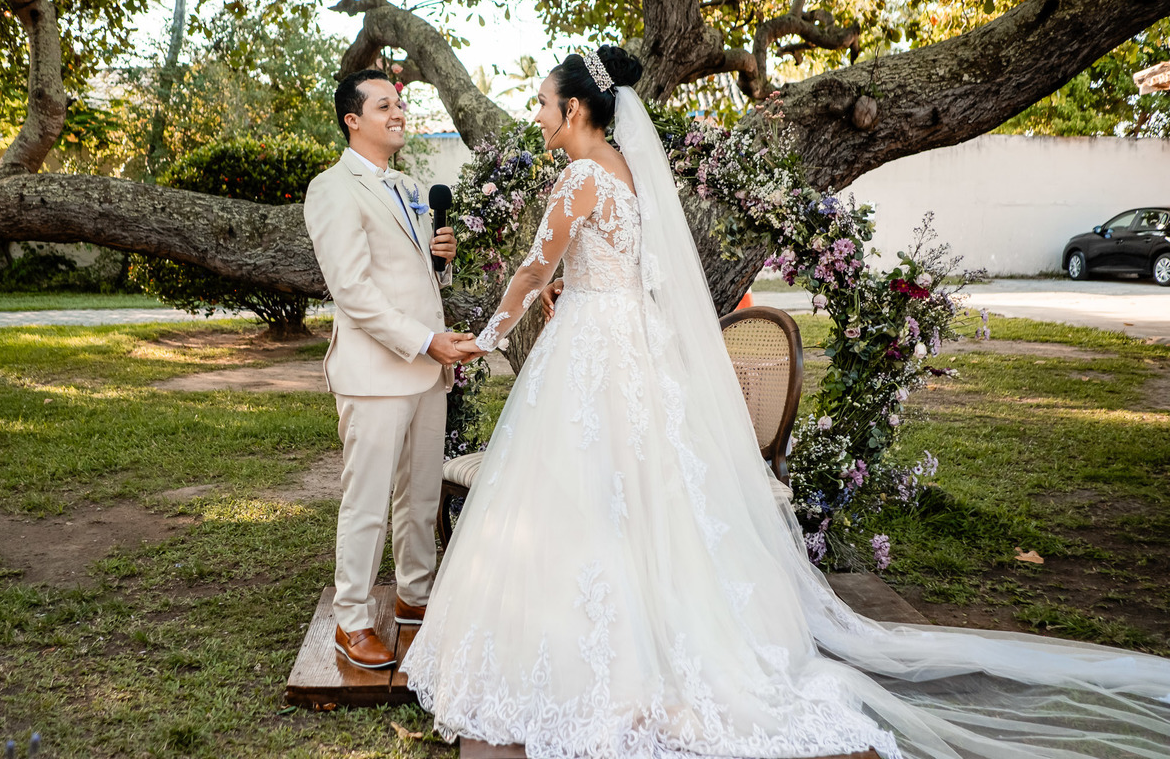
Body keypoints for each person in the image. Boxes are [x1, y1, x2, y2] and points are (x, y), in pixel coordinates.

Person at [403, 48, 1170, 757]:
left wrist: (485, 335)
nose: (536, 115)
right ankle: (660, 643)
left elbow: (532, 271)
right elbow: (627, 271)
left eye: (541, 104)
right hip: (625, 340)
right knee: (639, 495)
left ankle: (592, 660)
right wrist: (584, 285)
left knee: (585, 489)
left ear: (574, 110)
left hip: (591, 350)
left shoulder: (578, 177)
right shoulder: (629, 173)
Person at [303, 69, 475, 670]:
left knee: (420, 493)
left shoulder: (407, 185)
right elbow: (352, 289)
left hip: (426, 370)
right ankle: (352, 620)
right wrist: (428, 340)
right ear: (353, 119)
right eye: (385, 105)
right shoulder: (332, 189)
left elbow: (411, 277)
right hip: (377, 372)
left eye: (399, 103)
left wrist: (440, 264)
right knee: (368, 501)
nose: (398, 111)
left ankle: (413, 594)